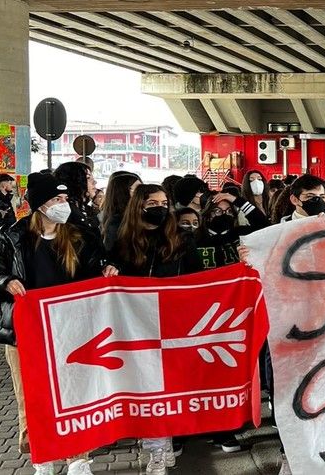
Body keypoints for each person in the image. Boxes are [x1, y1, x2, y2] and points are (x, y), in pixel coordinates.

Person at [0, 173, 116, 475]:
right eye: (56, 200)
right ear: (40, 206)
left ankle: (78, 456)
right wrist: (6, 280)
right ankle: (41, 455)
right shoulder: (11, 236)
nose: (63, 205)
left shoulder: (80, 235)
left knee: (73, 392)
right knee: (32, 394)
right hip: (26, 331)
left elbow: (96, 265)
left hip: (71, 329)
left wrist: (107, 270)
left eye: (64, 199)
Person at [111, 184, 201, 474]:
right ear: (139, 206)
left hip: (173, 327)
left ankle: (167, 441)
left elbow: (198, 280)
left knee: (170, 389)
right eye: (153, 202)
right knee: (146, 390)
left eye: (164, 202)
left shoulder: (182, 240)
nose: (161, 207)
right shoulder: (123, 243)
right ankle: (156, 449)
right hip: (137, 329)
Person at [54, 161, 99, 233]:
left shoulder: (85, 208)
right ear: (74, 182)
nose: (94, 182)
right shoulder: (65, 213)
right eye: (88, 178)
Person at [100, 173, 142, 251]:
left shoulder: (138, 216)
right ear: (124, 193)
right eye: (138, 189)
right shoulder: (117, 222)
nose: (143, 193)